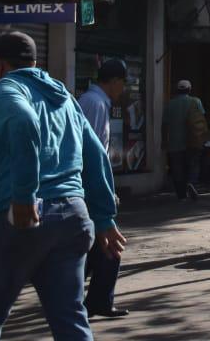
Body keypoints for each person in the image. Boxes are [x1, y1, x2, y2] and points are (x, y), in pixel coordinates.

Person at [0, 31, 125, 341]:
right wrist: (104, 216)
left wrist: (24, 196)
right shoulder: (64, 97)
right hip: (72, 219)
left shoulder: (4, 89)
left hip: (21, 220)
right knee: (71, 320)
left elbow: (23, 123)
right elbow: (95, 154)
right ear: (35, 64)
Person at [75, 58, 129, 320]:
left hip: (90, 190)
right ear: (115, 81)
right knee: (107, 248)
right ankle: (90, 301)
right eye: (123, 83)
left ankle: (95, 301)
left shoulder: (93, 101)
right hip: (89, 191)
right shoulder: (95, 104)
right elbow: (92, 153)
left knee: (100, 250)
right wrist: (102, 195)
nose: (124, 89)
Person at [161, 80, 206, 200]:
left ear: (177, 90)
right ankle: (191, 182)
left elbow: (164, 125)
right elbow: (201, 120)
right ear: (189, 90)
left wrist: (164, 141)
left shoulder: (169, 104)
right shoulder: (196, 101)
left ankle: (181, 195)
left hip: (174, 143)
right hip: (193, 140)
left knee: (177, 169)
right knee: (193, 164)